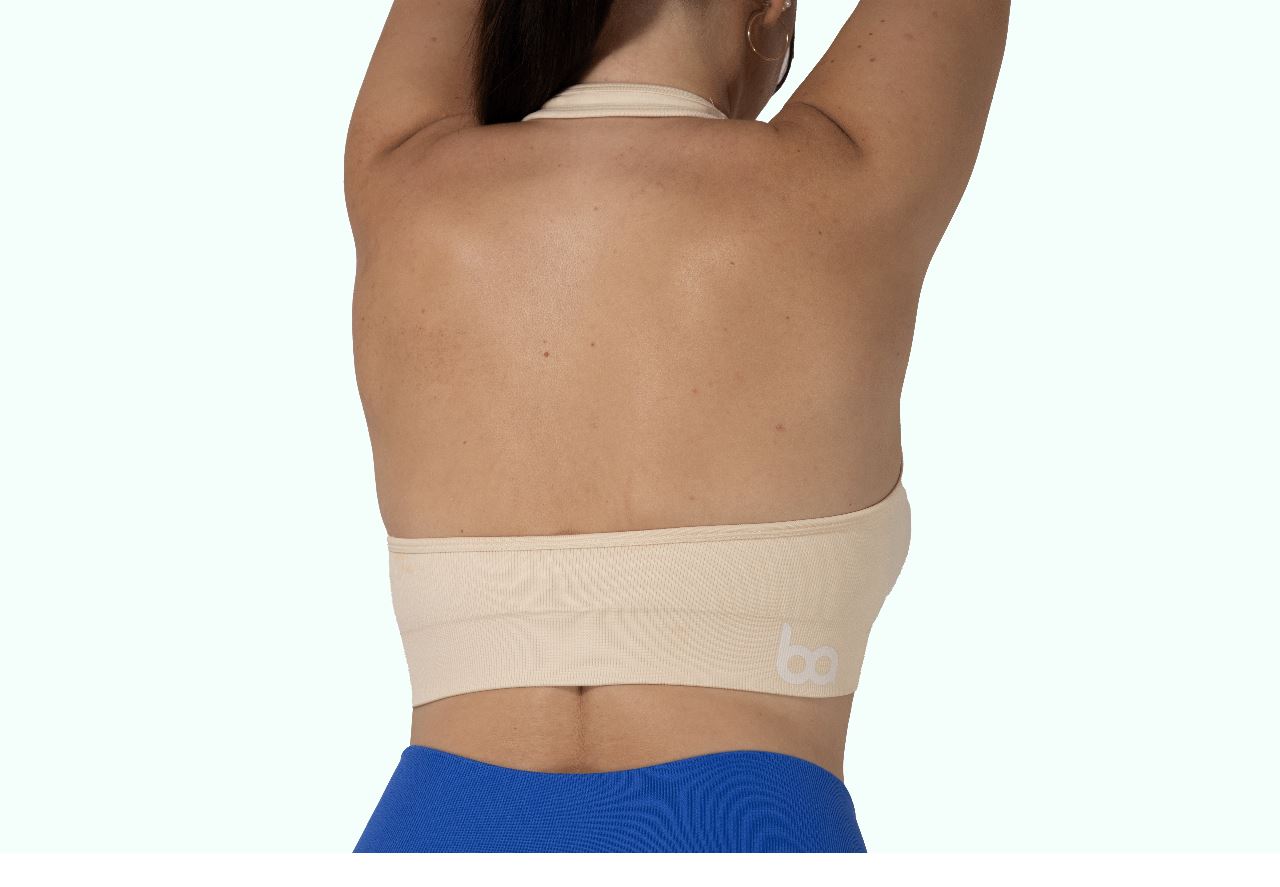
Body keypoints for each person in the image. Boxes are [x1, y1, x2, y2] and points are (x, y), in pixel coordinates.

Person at [346, 0, 1008, 852]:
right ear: (771, 16)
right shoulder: (847, 176)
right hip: (740, 827)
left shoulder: (398, 173)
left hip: (438, 827)